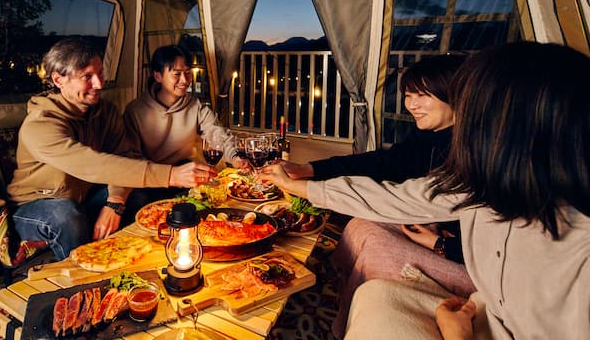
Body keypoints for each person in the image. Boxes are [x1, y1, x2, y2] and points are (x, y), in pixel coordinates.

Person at [259, 41, 590, 339]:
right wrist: (307, 179)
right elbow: (395, 183)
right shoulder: (482, 182)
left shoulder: (578, 253)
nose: (465, 126)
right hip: (482, 308)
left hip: (469, 300)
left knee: (376, 245)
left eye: (473, 111)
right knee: (371, 277)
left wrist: (458, 331)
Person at [278, 54, 473, 338]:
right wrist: (310, 169)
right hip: (431, 228)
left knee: (377, 249)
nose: (411, 105)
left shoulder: (473, 152)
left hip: (464, 259)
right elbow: (381, 162)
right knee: (361, 224)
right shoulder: (430, 135)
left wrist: (440, 244)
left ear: (455, 94)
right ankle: (347, 303)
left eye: (422, 96)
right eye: (408, 96)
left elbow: (495, 246)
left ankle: (356, 320)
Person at [7, 38, 216, 260]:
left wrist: (115, 201)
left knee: (139, 197)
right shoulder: (40, 125)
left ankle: (128, 258)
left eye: (100, 73)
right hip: (36, 205)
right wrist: (171, 175)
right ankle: (81, 273)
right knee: (66, 216)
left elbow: (126, 156)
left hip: (84, 197)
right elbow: (93, 164)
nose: (99, 84)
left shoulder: (104, 112)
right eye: (87, 77)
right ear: (59, 80)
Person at [115, 45, 250, 220]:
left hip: (184, 177)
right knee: (139, 202)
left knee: (218, 198)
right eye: (176, 74)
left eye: (187, 73)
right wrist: (166, 175)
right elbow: (130, 158)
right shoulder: (135, 111)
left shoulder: (195, 106)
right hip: (150, 180)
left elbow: (216, 133)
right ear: (158, 76)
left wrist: (235, 157)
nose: (185, 80)